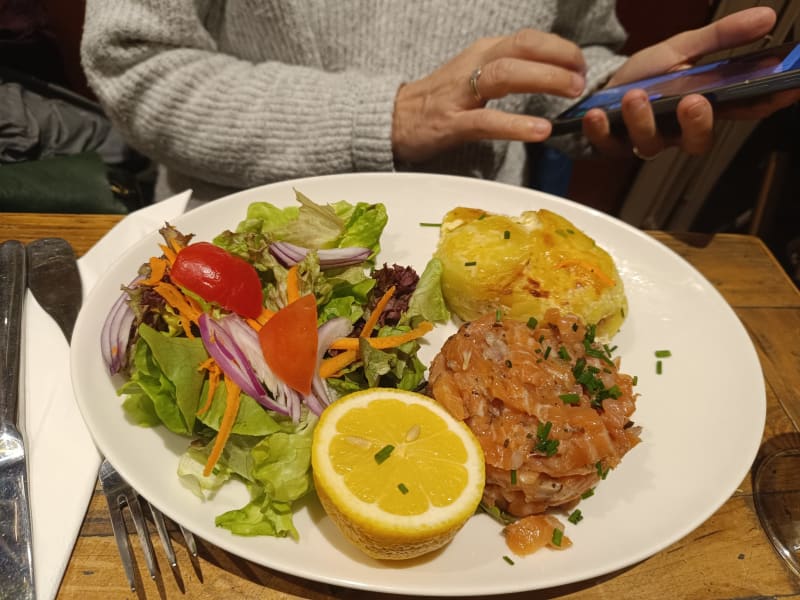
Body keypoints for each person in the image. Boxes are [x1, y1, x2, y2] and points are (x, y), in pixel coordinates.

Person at [80, 1, 800, 203]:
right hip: (244, 262)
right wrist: (390, 116)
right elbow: (135, 64)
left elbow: (569, 56)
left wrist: (608, 96)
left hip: (484, 266)